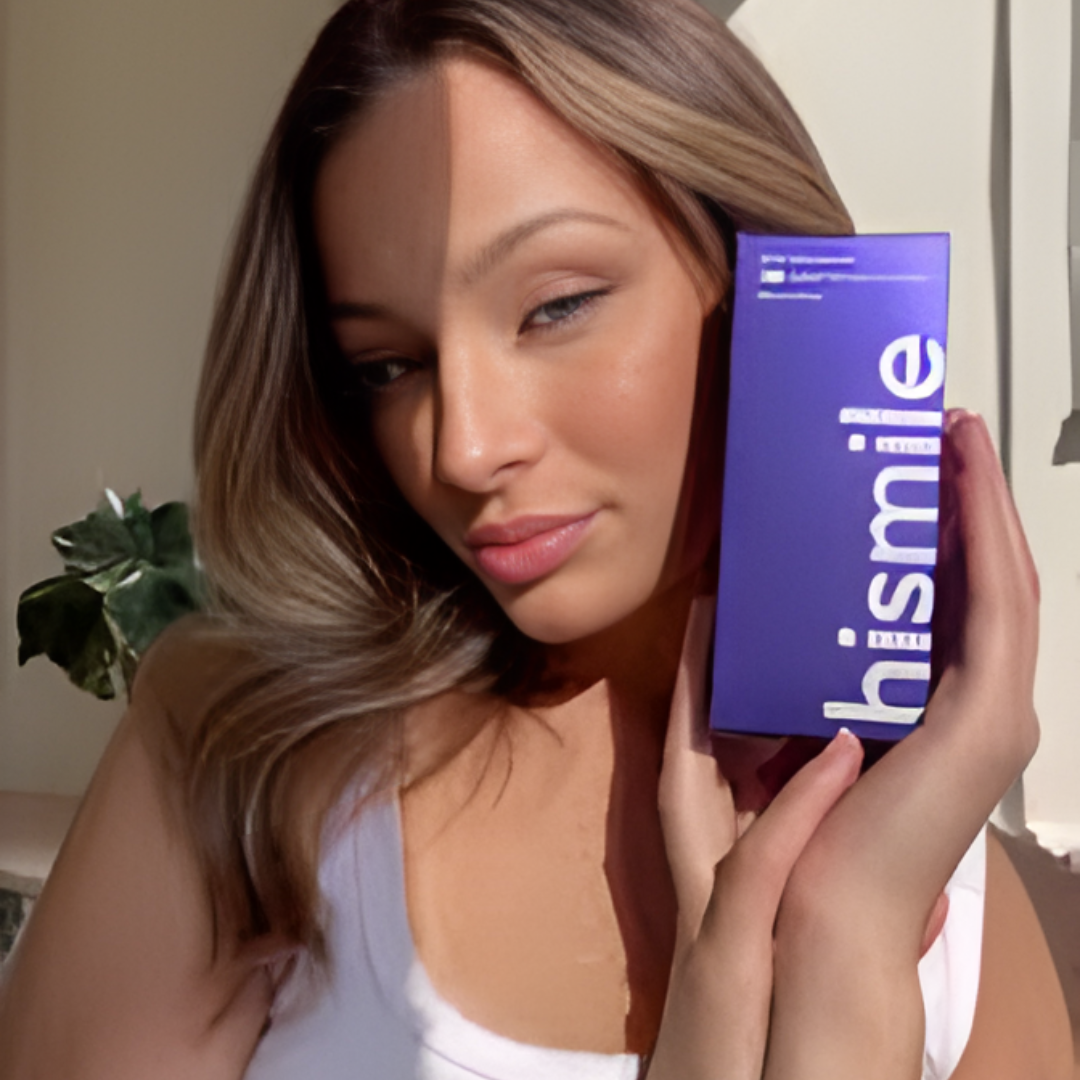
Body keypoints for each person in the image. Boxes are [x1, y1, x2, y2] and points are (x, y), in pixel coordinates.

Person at [0, 1, 1072, 1077]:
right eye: (388, 366)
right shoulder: (244, 752)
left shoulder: (924, 863)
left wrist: (847, 944)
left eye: (555, 307)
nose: (461, 449)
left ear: (757, 274)